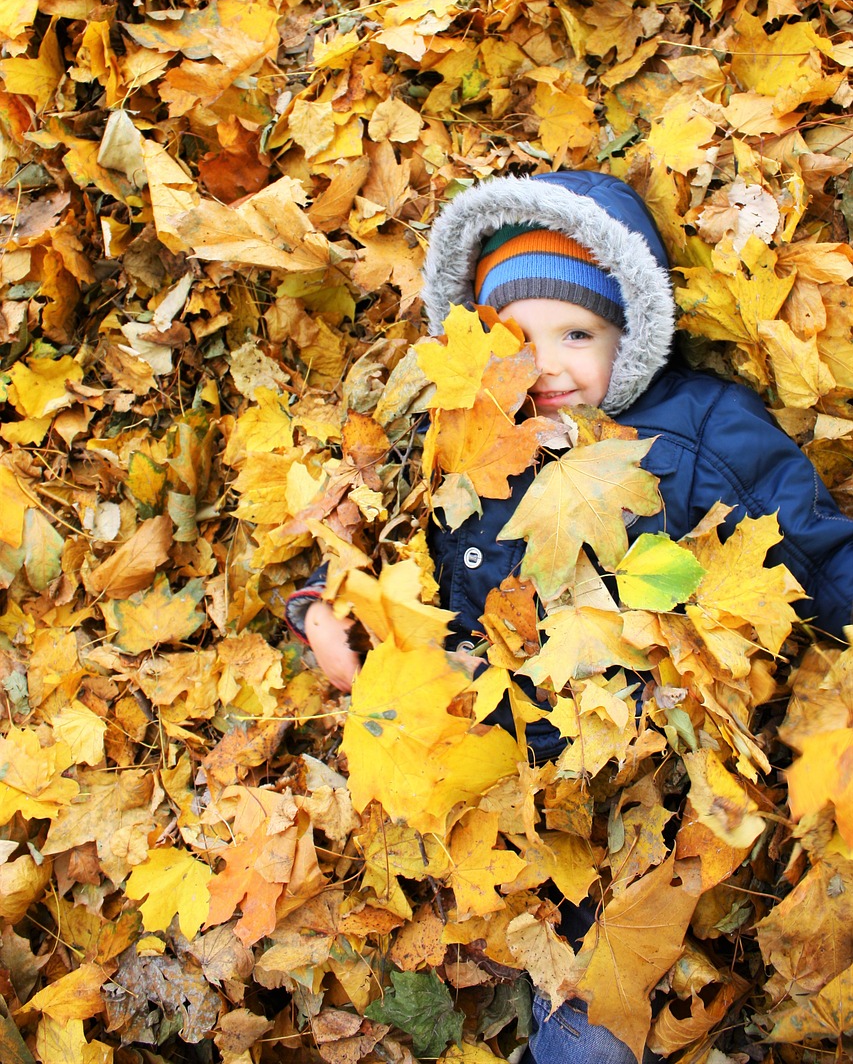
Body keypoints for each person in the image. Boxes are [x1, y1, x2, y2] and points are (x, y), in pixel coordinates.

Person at [285, 169, 853, 1062]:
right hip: (531, 773)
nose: (543, 365)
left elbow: (816, 558)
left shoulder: (700, 431)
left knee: (632, 962)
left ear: (629, 335)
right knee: (557, 976)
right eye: (513, 338)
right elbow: (402, 572)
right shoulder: (463, 454)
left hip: (671, 772)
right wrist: (342, 631)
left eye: (577, 334)